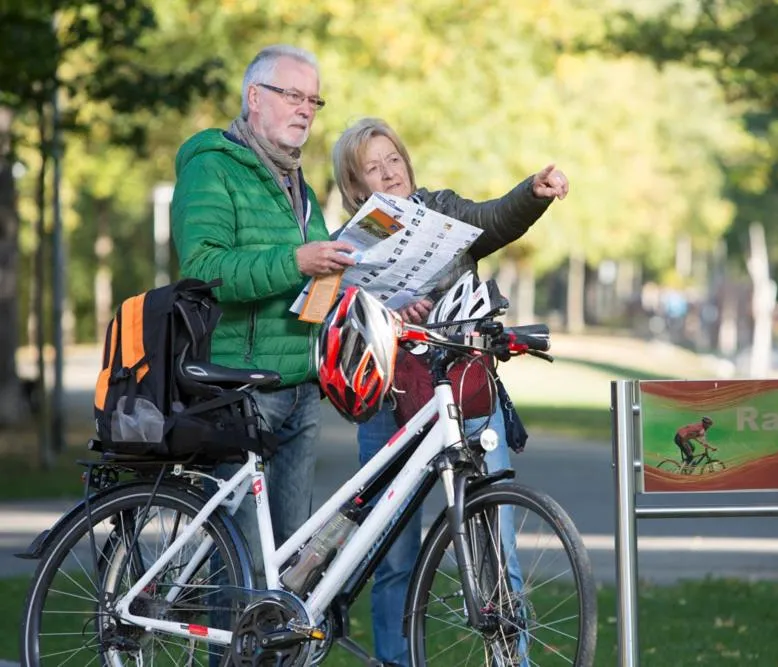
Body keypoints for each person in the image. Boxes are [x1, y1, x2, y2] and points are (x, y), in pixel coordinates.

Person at [331, 116, 568, 666]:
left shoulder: (441, 210)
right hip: (390, 407)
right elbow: (333, 317)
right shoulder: (349, 244)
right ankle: (396, 659)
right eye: (373, 167)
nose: (389, 173)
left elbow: (493, 219)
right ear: (355, 185)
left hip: (465, 394)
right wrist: (385, 311)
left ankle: (514, 661)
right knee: (394, 555)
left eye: (394, 160)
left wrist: (532, 194)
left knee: (496, 547)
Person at [170, 44, 357, 574]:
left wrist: (368, 293)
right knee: (244, 570)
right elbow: (205, 270)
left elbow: (320, 280)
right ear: (255, 96)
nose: (305, 109)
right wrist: (298, 259)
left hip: (300, 389)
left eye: (314, 100)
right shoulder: (212, 169)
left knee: (289, 567)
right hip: (239, 393)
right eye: (293, 95)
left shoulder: (298, 182)